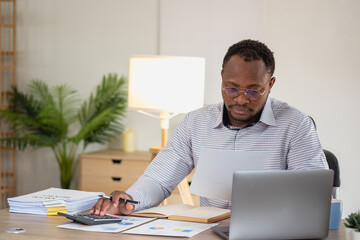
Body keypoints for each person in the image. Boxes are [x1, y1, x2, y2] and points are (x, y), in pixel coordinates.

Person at [91, 39, 328, 216]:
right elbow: (159, 180)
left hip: (271, 232)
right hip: (210, 232)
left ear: (271, 84)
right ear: (222, 78)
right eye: (232, 88)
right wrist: (129, 199)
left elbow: (312, 195)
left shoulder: (296, 125)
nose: (241, 100)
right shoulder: (196, 122)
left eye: (254, 91)